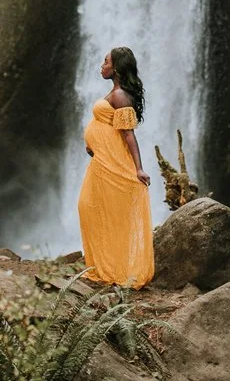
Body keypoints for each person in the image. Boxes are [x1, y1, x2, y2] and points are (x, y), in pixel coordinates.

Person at [78, 46, 154, 288]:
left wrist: (138, 168)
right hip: (102, 160)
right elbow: (110, 127)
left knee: (94, 208)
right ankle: (104, 266)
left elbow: (128, 134)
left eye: (106, 61)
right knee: (91, 207)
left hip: (112, 164)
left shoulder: (120, 95)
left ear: (117, 67)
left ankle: (112, 269)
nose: (102, 65)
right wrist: (94, 144)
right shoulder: (115, 92)